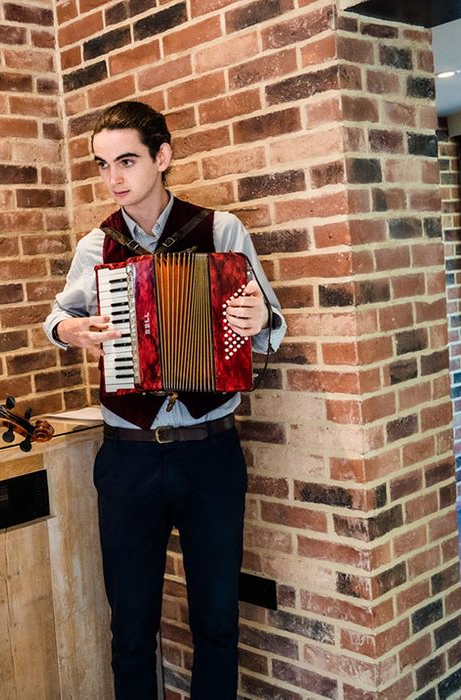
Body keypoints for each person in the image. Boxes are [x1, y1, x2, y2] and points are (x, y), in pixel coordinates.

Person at [44, 101, 287, 698]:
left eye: (126, 161)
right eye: (102, 166)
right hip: (127, 456)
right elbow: (57, 317)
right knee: (130, 626)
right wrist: (69, 331)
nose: (114, 178)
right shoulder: (95, 246)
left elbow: (271, 326)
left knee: (217, 622)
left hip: (210, 451)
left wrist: (261, 317)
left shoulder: (220, 231)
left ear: (162, 157)